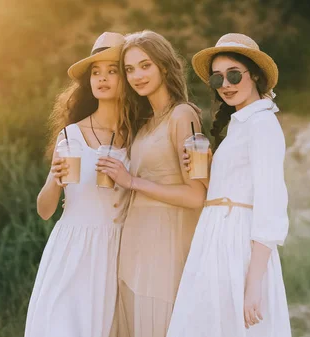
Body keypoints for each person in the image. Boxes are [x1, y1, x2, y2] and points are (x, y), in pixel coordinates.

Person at [166, 33, 291, 337]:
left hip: (240, 244)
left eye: (234, 74)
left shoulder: (262, 125)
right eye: (217, 79)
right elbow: (228, 191)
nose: (226, 84)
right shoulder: (240, 125)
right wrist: (206, 169)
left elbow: (270, 204)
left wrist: (254, 282)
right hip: (215, 237)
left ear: (256, 76)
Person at [96, 30, 207, 337]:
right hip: (135, 245)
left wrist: (132, 181)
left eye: (145, 65)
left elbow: (197, 195)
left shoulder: (183, 116)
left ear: (165, 67)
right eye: (129, 69)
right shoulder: (144, 123)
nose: (137, 76)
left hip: (166, 247)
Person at [25, 32, 130, 337]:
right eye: (96, 72)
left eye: (113, 71)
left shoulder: (139, 136)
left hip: (119, 248)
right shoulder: (70, 136)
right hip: (73, 247)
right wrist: (55, 182)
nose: (103, 79)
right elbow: (44, 210)